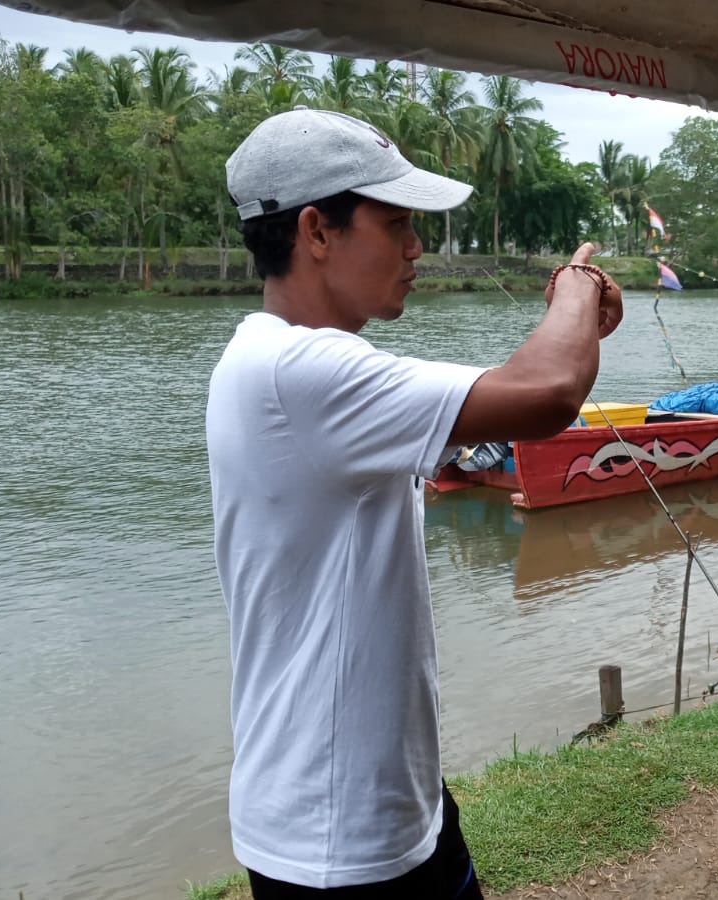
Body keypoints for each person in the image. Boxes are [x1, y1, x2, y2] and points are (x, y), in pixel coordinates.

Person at [206, 106, 622, 899]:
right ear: (316, 232)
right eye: (395, 222)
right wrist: (575, 289)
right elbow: (547, 393)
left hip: (384, 804)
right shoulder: (302, 375)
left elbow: (535, 392)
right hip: (336, 842)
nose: (415, 247)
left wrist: (578, 327)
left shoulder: (273, 360)